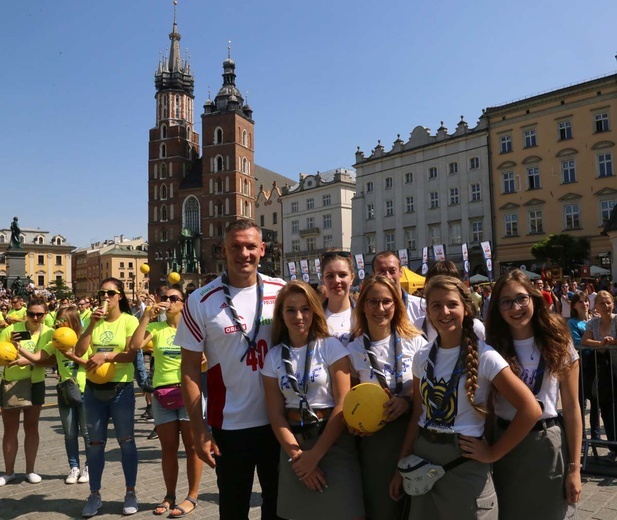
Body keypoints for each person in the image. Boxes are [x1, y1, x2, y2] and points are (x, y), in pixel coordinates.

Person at [391, 275, 541, 518]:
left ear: (466, 308)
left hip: (463, 463)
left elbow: (530, 409)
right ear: (427, 311)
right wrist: (401, 465)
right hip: (423, 462)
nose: (445, 312)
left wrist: (493, 453)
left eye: (452, 304)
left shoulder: (485, 356)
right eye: (436, 306)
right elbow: (418, 415)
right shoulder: (422, 356)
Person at [176, 220, 285, 520]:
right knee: (233, 510)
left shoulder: (283, 292)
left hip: (278, 423)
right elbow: (188, 371)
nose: (244, 253)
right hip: (230, 426)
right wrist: (199, 430)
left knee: (279, 509)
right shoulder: (199, 300)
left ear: (263, 249)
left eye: (251, 246)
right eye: (235, 246)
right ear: (223, 249)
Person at [261, 281, 363, 520]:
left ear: (315, 311)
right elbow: (275, 414)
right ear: (281, 315)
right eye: (291, 310)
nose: (299, 316)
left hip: (333, 442)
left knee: (347, 513)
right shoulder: (274, 357)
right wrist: (299, 458)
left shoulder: (331, 347)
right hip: (294, 445)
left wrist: (315, 455)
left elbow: (343, 404)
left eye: (305, 309)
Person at [487, 269, 582, 518]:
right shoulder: (491, 346)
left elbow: (572, 408)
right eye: (506, 301)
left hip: (545, 443)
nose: (515, 307)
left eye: (521, 298)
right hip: (504, 443)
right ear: (497, 307)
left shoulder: (558, 341)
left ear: (534, 298)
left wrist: (574, 469)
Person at [347, 276, 426, 519]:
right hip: (376, 444)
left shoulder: (415, 342)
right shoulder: (353, 350)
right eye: (372, 302)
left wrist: (407, 400)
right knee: (382, 508)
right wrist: (355, 426)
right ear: (362, 306)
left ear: (396, 305)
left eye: (386, 302)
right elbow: (348, 401)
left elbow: (428, 393)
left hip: (415, 437)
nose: (379, 309)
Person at [130, 287, 202, 518]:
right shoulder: (156, 327)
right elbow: (135, 346)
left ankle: (192, 496)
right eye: (166, 298)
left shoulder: (192, 328)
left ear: (183, 303)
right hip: (163, 395)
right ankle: (169, 495)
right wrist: (145, 316)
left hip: (189, 393)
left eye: (174, 298)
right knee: (168, 449)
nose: (168, 302)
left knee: (192, 448)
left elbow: (207, 356)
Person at [74, 278, 140, 517]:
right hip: (93, 390)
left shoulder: (129, 321)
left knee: (126, 442)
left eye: (110, 293)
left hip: (120, 389)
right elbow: (79, 352)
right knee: (94, 444)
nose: (105, 296)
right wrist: (91, 326)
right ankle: (94, 495)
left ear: (119, 295)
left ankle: (130, 492)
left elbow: (131, 355)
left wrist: (107, 356)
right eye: (102, 292)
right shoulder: (91, 319)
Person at [14, 306, 91, 484]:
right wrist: (18, 348)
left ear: (72, 321)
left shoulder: (85, 339)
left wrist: (71, 356)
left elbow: (90, 364)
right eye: (57, 320)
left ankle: (89, 466)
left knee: (87, 433)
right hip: (66, 391)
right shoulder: (56, 341)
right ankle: (74, 467)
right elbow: (37, 357)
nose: (58, 323)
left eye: (63, 320)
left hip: (86, 390)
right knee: (69, 433)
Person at [0, 297, 54, 485]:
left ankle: (30, 470)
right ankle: (8, 472)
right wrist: (8, 355)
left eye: (39, 314)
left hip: (35, 382)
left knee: (31, 427)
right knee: (10, 429)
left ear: (45, 314)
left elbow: (52, 361)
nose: (35, 317)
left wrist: (29, 360)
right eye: (31, 314)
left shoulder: (49, 333)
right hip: (12, 382)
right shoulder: (11, 330)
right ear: (26, 314)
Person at [581, 290, 617, 458]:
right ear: (596, 306)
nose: (606, 306)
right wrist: (602, 342)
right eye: (602, 303)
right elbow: (584, 341)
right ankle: (613, 445)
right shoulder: (592, 323)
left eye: (608, 302)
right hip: (604, 372)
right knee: (607, 408)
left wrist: (612, 342)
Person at [568, 291, 600, 440]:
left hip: (596, 365)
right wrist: (598, 344)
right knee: (581, 403)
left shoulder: (595, 320)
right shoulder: (572, 323)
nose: (584, 304)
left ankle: (596, 435)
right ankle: (580, 437)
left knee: (596, 402)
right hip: (581, 366)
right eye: (580, 301)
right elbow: (577, 342)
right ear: (574, 305)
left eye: (586, 301)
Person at [372, 251, 424, 329]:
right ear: (374, 274)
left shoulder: (421, 307)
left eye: (392, 271)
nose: (387, 276)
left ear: (400, 272)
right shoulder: (368, 310)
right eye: (381, 271)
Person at [320, 251, 355, 346]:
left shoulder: (364, 314)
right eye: (330, 276)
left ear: (352, 278)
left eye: (342, 275)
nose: (336, 280)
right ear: (322, 279)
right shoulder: (314, 317)